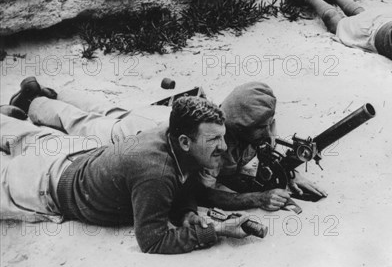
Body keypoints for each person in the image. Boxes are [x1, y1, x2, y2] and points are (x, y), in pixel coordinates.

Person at [8, 79, 326, 211]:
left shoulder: (246, 115)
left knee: (108, 111)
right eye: (261, 129)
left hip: (169, 119)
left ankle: (52, 91)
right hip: (139, 133)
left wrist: (290, 174)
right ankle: (32, 101)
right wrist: (258, 197)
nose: (268, 130)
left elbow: (267, 143)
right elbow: (204, 194)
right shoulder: (213, 149)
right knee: (89, 125)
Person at [1, 93, 251, 254]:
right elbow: (153, 241)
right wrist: (214, 231)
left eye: (222, 136)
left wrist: (185, 213)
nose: (224, 147)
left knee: (24, 135)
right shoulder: (156, 173)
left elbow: (182, 177)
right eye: (214, 139)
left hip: (76, 154)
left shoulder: (171, 132)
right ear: (185, 142)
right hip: (45, 184)